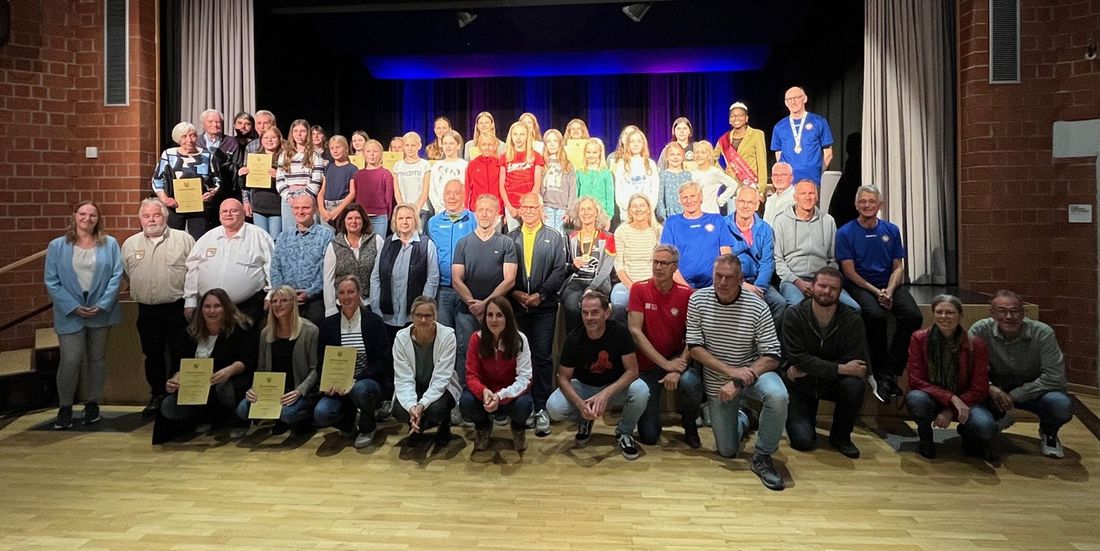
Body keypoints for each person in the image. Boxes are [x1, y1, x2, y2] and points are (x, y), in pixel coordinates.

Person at [686, 254, 787, 490]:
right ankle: (745, 416)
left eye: (729, 277)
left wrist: (740, 380)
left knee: (778, 395)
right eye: (718, 276)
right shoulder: (697, 300)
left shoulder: (758, 306)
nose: (722, 282)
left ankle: (763, 456)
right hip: (718, 381)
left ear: (741, 279)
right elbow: (695, 348)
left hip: (753, 374)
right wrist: (731, 372)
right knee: (727, 450)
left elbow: (772, 355)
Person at [836, 185, 922, 401]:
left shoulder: (891, 230)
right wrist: (877, 292)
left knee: (913, 316)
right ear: (856, 205)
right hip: (861, 285)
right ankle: (878, 371)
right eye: (862, 201)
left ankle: (890, 370)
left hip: (889, 285)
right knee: (875, 316)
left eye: (871, 201)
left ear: (880, 205)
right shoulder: (845, 232)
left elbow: (898, 267)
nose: (867, 205)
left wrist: (889, 291)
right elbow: (849, 271)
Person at [44, 201, 124, 429]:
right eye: (82, 214)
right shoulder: (57, 246)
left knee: (97, 359)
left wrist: (103, 304)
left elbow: (116, 275)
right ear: (74, 215)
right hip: (70, 312)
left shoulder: (110, 244)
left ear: (98, 219)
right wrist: (72, 306)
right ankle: (65, 407)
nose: (87, 218)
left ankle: (92, 404)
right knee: (70, 360)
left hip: (101, 310)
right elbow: (51, 280)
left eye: (92, 215)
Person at [969, 290, 1074, 458]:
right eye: (1002, 311)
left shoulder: (1043, 333)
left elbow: (1055, 377)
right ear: (992, 313)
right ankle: (990, 427)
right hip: (993, 393)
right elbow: (969, 370)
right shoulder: (980, 330)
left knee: (1060, 404)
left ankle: (1049, 433)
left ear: (1024, 312)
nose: (1009, 316)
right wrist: (990, 388)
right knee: (981, 427)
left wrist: (1015, 395)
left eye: (1015, 311)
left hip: (1034, 392)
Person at [547, 291, 650, 460]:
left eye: (594, 312)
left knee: (641, 390)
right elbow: (563, 378)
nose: (589, 318)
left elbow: (633, 371)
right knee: (553, 408)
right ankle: (585, 419)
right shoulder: (573, 338)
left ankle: (624, 433)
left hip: (614, 387)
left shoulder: (620, 332)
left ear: (606, 313)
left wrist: (605, 394)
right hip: (584, 387)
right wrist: (580, 405)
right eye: (585, 313)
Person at [781, 267, 869, 458]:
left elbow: (856, 362)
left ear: (840, 291)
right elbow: (797, 358)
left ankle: (841, 437)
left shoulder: (852, 319)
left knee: (855, 385)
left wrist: (809, 366)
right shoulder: (794, 315)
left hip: (832, 383)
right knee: (802, 441)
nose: (827, 291)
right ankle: (804, 422)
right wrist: (842, 368)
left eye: (833, 288)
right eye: (822, 286)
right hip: (800, 385)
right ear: (812, 286)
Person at [121, 198, 195, 415]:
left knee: (180, 354)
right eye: (146, 216)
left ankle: (177, 397)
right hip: (147, 310)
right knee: (152, 355)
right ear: (140, 220)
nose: (151, 220)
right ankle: (157, 395)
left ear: (165, 216)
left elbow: (194, 272)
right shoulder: (130, 244)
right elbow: (127, 273)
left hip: (177, 308)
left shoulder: (184, 240)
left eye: (156, 215)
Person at [626, 244, 704, 447]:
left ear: (675, 267)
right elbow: (635, 332)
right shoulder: (639, 289)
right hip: (646, 367)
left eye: (663, 263)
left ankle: (690, 424)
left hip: (676, 362)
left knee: (691, 382)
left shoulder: (686, 294)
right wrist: (665, 364)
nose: (658, 267)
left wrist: (676, 367)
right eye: (655, 262)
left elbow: (694, 335)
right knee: (649, 437)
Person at [507, 192, 568, 437]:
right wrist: (516, 293)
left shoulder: (554, 237)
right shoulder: (510, 238)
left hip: (544, 307)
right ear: (520, 210)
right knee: (519, 357)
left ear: (542, 210)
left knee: (542, 357)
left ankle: (541, 407)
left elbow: (559, 270)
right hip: (517, 306)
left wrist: (540, 295)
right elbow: (504, 271)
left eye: (534, 207)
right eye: (525, 207)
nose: (529, 211)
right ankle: (523, 406)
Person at [906, 294, 996, 461]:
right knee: (916, 398)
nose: (944, 316)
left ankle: (968, 434)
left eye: (950, 312)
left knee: (985, 426)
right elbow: (916, 380)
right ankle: (925, 437)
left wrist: (951, 409)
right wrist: (951, 398)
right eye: (939, 312)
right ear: (933, 314)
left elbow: (980, 388)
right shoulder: (919, 338)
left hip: (966, 400)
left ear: (960, 315)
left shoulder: (976, 344)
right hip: (933, 398)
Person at [160, 288, 257, 437]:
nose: (211, 311)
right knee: (168, 407)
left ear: (226, 308)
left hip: (226, 382)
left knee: (225, 389)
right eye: (207, 306)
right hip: (195, 388)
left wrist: (230, 370)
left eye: (217, 306)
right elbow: (177, 366)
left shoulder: (240, 329)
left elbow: (248, 361)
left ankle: (234, 420)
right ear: (201, 309)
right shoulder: (188, 333)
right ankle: (202, 418)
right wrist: (174, 380)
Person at [451, 194, 519, 400]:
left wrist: (486, 306)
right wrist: (474, 305)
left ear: (497, 214)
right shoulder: (463, 243)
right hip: (467, 312)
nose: (484, 214)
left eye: (489, 210)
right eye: (481, 209)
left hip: (497, 314)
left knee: (499, 356)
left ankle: (500, 398)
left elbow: (510, 280)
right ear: (475, 213)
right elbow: (456, 279)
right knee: (465, 353)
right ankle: (466, 399)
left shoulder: (506, 243)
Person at [313, 275, 392, 448]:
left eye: (351, 292)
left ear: (359, 294)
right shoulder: (327, 325)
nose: (346, 296)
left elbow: (383, 361)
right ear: (337, 296)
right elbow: (322, 362)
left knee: (360, 390)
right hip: (338, 385)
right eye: (342, 292)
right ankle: (348, 424)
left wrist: (356, 379)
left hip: (366, 382)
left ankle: (367, 428)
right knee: (321, 414)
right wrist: (327, 384)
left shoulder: (374, 322)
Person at [237, 285, 321, 434]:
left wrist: (299, 391)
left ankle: (305, 418)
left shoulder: (310, 331)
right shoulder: (266, 333)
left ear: (293, 303)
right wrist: (254, 388)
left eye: (283, 301)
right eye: (274, 301)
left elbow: (315, 370)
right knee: (243, 410)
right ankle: (280, 417)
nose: (278, 305)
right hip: (273, 391)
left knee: (287, 414)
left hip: (298, 390)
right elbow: (262, 368)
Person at [184, 199, 274, 325]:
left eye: (234, 211)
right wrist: (190, 300)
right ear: (219, 215)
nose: (228, 214)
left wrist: (271, 294)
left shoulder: (259, 236)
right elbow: (193, 268)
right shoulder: (207, 238)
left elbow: (272, 266)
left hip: (246, 309)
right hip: (208, 311)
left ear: (243, 214)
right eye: (224, 211)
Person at [772, 181, 859, 311]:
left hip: (824, 280)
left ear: (817, 197)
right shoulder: (781, 221)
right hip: (792, 281)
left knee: (854, 308)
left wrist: (823, 282)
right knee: (799, 309)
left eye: (811, 193)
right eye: (803, 193)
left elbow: (833, 260)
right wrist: (798, 282)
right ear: (795, 197)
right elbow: (778, 260)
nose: (808, 197)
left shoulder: (828, 221)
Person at [461, 297, 534, 451]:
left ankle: (518, 428)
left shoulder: (520, 340)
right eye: (490, 315)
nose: (494, 320)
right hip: (486, 394)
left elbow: (525, 379)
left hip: (509, 395)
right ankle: (483, 427)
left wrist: (500, 396)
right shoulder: (476, 339)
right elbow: (471, 376)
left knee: (524, 405)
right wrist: (483, 391)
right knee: (466, 401)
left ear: (508, 317)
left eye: (499, 315)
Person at [391, 296, 462, 448]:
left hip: (441, 388)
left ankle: (444, 424)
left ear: (435, 317)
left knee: (436, 409)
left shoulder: (448, 336)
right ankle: (417, 424)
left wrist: (422, 405)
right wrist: (412, 407)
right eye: (418, 315)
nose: (423, 320)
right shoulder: (401, 338)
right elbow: (403, 378)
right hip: (414, 387)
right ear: (412, 316)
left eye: (428, 315)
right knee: (400, 410)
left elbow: (441, 378)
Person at [370, 203, 440, 343]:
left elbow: (432, 279)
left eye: (409, 218)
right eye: (400, 218)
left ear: (415, 220)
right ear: (395, 221)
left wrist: (422, 308)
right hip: (387, 315)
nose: (405, 222)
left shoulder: (426, 244)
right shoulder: (387, 243)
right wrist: (375, 307)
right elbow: (375, 277)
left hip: (413, 317)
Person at [270, 194, 335, 327]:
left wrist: (310, 293)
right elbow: (275, 268)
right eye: (296, 208)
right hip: (286, 301)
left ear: (315, 210)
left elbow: (327, 270)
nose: (300, 211)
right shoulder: (283, 236)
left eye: (305, 208)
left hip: (315, 300)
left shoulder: (326, 235)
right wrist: (283, 294)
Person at [726, 186, 786, 324]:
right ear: (735, 202)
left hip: (758, 281)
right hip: (732, 281)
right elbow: (722, 261)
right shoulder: (723, 225)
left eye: (750, 202)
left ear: (757, 205)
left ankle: (768, 337)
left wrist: (759, 288)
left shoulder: (765, 229)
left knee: (780, 303)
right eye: (742, 201)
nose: (745, 206)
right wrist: (740, 284)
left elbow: (767, 262)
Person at [151, 121, 220, 239]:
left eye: (192, 135)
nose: (189, 140)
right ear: (178, 139)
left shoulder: (207, 155)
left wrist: (211, 193)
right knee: (174, 240)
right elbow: (157, 180)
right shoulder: (168, 154)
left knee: (198, 240)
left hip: (199, 206)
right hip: (174, 206)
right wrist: (165, 199)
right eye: (184, 136)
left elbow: (217, 180)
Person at [659, 182, 733, 289]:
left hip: (714, 286)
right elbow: (667, 261)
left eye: (693, 196)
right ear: (680, 200)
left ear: (701, 197)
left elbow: (727, 256)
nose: (689, 201)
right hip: (681, 286)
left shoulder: (717, 220)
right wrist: (687, 289)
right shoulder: (672, 223)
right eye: (685, 197)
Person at [561, 197, 616, 336]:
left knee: (594, 305)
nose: (586, 213)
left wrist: (591, 288)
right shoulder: (570, 237)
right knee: (572, 305)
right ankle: (574, 343)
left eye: (589, 209)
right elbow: (562, 266)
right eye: (582, 209)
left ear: (596, 212)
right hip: (575, 282)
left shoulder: (608, 237)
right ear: (578, 213)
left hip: (598, 283)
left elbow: (606, 269)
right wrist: (573, 266)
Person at [428, 180, 477, 328]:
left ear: (464, 195)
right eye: (448, 193)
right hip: (442, 290)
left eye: (456, 193)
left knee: (466, 336)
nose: (452, 197)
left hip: (468, 290)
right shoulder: (433, 223)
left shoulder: (474, 220)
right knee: (444, 335)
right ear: (443, 196)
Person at [322, 204, 382, 316]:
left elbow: (378, 276)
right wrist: (330, 309)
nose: (353, 221)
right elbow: (328, 280)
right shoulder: (334, 245)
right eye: (349, 218)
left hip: (369, 304)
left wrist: (376, 307)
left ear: (363, 220)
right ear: (344, 221)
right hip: (342, 305)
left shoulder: (376, 241)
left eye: (357, 218)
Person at [611, 193, 661, 322]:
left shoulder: (659, 231)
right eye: (634, 206)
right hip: (627, 284)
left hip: (653, 284)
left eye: (642, 205)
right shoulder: (621, 231)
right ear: (629, 211)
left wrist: (650, 287)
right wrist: (633, 287)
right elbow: (619, 265)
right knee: (618, 303)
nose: (638, 209)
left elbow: (661, 264)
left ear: (649, 209)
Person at [771, 86, 834, 184]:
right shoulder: (779, 127)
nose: (793, 102)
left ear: (805, 99)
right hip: (789, 182)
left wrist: (818, 171)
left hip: (812, 180)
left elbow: (828, 153)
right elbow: (778, 153)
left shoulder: (819, 121)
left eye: (796, 97)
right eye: (789, 99)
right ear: (786, 103)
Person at [198, 109, 244, 227]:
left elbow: (237, 165)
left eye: (218, 122)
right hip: (202, 194)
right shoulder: (196, 142)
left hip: (225, 192)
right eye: (211, 122)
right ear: (203, 124)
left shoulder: (231, 142)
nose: (215, 124)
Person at [275, 119, 324, 225]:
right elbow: (279, 179)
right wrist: (288, 197)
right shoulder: (284, 154)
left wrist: (304, 197)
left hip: (307, 195)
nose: (299, 134)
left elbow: (316, 179)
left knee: (309, 229)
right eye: (296, 131)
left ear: (308, 133)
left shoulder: (314, 154)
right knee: (290, 230)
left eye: (303, 131)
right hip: (288, 197)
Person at [499, 121, 545, 231]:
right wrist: (509, 207)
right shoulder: (505, 157)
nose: (518, 138)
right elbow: (501, 185)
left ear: (527, 136)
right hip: (512, 207)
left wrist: (527, 206)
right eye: (515, 134)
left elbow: (537, 183)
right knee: (514, 237)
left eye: (522, 134)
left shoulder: (535, 156)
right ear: (511, 136)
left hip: (530, 206)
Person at [239, 126, 284, 237]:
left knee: (275, 239)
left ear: (279, 139)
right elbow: (245, 186)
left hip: (276, 207)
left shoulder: (284, 159)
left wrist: (278, 176)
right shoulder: (254, 158)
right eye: (266, 137)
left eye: (273, 137)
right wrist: (242, 176)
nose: (269, 140)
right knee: (261, 239)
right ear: (261, 140)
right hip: (258, 206)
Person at [716, 102, 768, 195]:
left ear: (746, 118)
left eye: (740, 115)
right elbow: (711, 158)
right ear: (729, 120)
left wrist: (761, 190)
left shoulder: (757, 135)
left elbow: (762, 164)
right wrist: (723, 173)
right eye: (733, 116)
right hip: (732, 188)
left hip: (752, 186)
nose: (736, 118)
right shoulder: (724, 139)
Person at [613, 129, 660, 220]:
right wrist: (629, 207)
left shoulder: (651, 164)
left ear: (643, 144)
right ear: (628, 144)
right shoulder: (622, 164)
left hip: (647, 214)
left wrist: (648, 207)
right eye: (632, 142)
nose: (635, 144)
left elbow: (654, 189)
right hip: (627, 214)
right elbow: (619, 190)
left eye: (639, 141)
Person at [352, 138, 396, 236]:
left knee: (379, 243)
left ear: (381, 154)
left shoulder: (386, 174)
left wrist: (387, 215)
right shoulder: (358, 175)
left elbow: (389, 199)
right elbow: (355, 196)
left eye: (375, 151)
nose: (371, 154)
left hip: (380, 217)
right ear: (363, 154)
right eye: (368, 151)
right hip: (362, 216)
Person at [392, 131, 432, 230]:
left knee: (418, 236)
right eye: (407, 145)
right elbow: (397, 191)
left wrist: (416, 210)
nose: (410, 148)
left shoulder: (425, 165)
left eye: (413, 145)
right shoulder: (398, 166)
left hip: (421, 209)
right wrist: (402, 208)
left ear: (419, 146)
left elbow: (425, 190)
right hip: (403, 211)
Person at [540, 128, 577, 236]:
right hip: (546, 207)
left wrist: (570, 210)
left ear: (560, 143)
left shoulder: (567, 164)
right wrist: (540, 209)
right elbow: (537, 187)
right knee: (548, 237)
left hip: (563, 209)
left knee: (560, 237)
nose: (552, 144)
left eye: (555, 141)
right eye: (548, 141)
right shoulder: (542, 163)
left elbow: (572, 189)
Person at [317, 135, 357, 227]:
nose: (335, 151)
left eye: (338, 147)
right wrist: (322, 209)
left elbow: (352, 193)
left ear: (346, 148)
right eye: (332, 148)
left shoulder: (352, 169)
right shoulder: (328, 167)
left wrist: (337, 211)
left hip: (343, 207)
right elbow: (322, 191)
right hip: (327, 207)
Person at [689, 140, 738, 214]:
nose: (699, 155)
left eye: (703, 152)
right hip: (695, 213)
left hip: (711, 212)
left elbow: (733, 184)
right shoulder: (692, 173)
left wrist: (721, 200)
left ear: (709, 156)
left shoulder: (714, 172)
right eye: (697, 152)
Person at [428, 130, 468, 217]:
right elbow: (432, 190)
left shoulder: (465, 165)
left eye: (451, 143)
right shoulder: (436, 166)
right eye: (445, 143)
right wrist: (439, 209)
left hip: (461, 212)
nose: (448, 146)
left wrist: (461, 208)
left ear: (458, 145)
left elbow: (467, 189)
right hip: (441, 213)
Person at [465, 133, 504, 218]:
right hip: (477, 210)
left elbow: (504, 188)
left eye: (490, 145)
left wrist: (504, 211)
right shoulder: (473, 164)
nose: (487, 148)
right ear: (479, 147)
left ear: (495, 146)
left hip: (497, 210)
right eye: (484, 145)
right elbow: (468, 189)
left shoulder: (500, 164)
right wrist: (466, 211)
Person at [575, 137, 615, 220]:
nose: (591, 155)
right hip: (583, 214)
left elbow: (610, 197)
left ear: (600, 153)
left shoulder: (606, 173)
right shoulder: (580, 173)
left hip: (601, 214)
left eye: (594, 152)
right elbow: (576, 195)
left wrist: (609, 216)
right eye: (588, 152)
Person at [655, 142, 691, 220]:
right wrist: (664, 218)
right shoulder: (663, 175)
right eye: (672, 154)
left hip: (686, 214)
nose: (675, 157)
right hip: (669, 216)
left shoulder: (687, 175)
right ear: (667, 157)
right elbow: (660, 199)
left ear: (683, 157)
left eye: (678, 154)